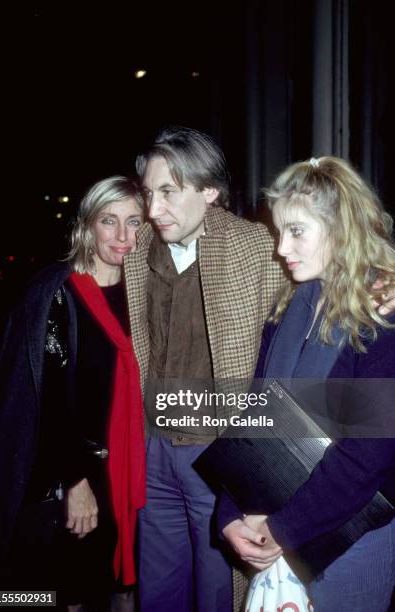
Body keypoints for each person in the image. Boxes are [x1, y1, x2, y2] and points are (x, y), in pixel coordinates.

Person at [122, 125, 287, 612]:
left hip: (218, 456)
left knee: (220, 591)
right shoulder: (138, 250)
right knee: (159, 589)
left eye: (169, 193)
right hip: (154, 448)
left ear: (209, 191)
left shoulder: (256, 249)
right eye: (149, 193)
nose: (153, 210)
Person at [219, 156, 395, 611]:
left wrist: (281, 528)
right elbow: (255, 417)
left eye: (297, 231)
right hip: (279, 522)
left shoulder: (383, 318)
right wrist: (231, 514)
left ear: (341, 229)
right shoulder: (290, 308)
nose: (281, 247)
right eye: (280, 231)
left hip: (351, 539)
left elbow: (367, 456)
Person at [0, 176, 146, 610]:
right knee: (66, 591)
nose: (123, 237)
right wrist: (76, 482)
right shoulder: (58, 292)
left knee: (123, 588)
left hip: (133, 467)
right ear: (87, 226)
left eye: (134, 223)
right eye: (108, 222)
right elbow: (50, 400)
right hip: (73, 468)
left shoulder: (146, 293)